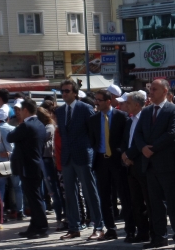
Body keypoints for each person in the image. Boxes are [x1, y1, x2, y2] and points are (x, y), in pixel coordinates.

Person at [133, 78, 175, 250]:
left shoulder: (174, 110)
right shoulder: (147, 111)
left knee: (173, 202)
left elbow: (171, 133)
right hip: (149, 164)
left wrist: (153, 149)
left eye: (154, 89)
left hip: (168, 163)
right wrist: (143, 148)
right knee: (155, 203)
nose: (150, 92)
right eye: (150, 89)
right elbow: (138, 133)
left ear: (165, 91)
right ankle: (159, 236)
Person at [55, 79, 104, 241]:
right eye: (62, 91)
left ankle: (98, 226)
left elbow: (95, 132)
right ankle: (74, 227)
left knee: (90, 192)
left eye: (67, 91)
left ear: (75, 93)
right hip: (68, 157)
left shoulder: (85, 109)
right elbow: (63, 133)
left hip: (83, 155)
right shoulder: (60, 111)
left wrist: (91, 150)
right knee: (69, 194)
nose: (64, 94)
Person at [88, 89, 129, 240]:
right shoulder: (93, 119)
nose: (96, 102)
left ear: (108, 101)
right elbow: (92, 139)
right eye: (96, 100)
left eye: (99, 100)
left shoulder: (121, 116)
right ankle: (110, 229)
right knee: (105, 197)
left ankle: (130, 228)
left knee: (124, 194)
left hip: (118, 161)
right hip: (101, 161)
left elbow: (125, 138)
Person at [7, 99, 50, 239]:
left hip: (28, 166)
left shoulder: (27, 125)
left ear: (26, 110)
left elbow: (10, 137)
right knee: (33, 198)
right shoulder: (40, 124)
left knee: (34, 198)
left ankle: (42, 226)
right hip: (36, 165)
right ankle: (34, 225)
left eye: (20, 110)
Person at [121, 91, 151, 244]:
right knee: (136, 201)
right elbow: (126, 141)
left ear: (137, 105)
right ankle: (142, 231)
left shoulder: (146, 119)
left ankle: (154, 231)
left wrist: (130, 155)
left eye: (128, 103)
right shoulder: (129, 121)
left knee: (149, 200)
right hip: (130, 167)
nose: (125, 106)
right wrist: (125, 156)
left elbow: (143, 141)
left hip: (143, 165)